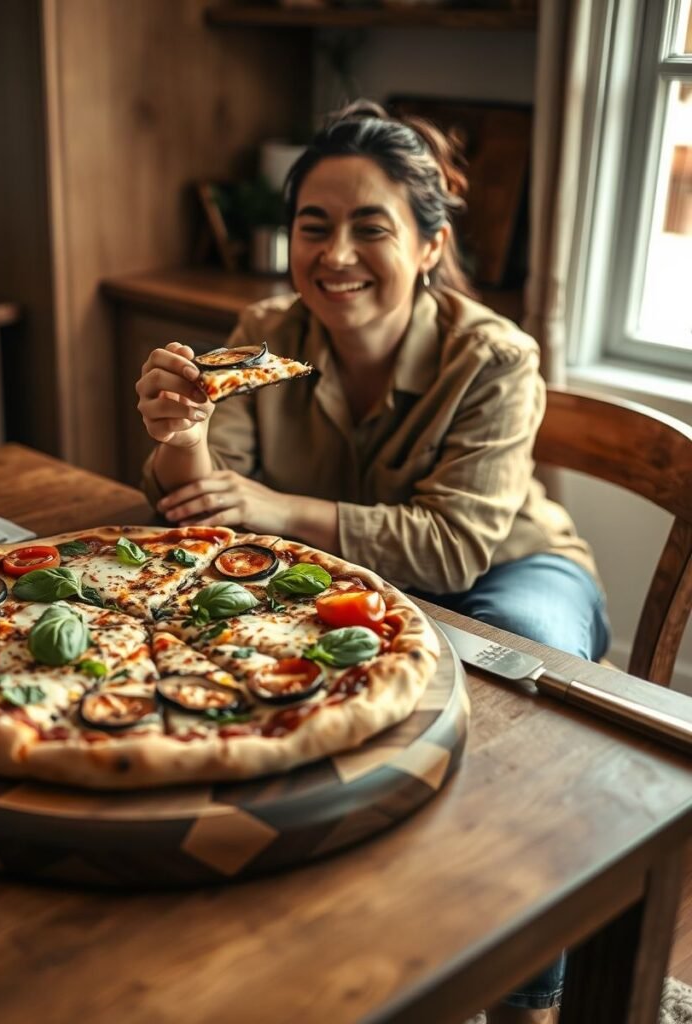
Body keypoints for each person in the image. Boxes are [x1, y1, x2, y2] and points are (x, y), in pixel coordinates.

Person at [134, 100, 610, 1024]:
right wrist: (184, 440)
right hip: (334, 583)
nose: (336, 253)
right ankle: (344, 945)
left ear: (429, 246)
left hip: (507, 570)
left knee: (519, 705)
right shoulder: (263, 334)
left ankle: (525, 994)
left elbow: (456, 543)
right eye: (314, 226)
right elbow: (208, 509)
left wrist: (280, 511)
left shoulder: (496, 357)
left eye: (370, 227)